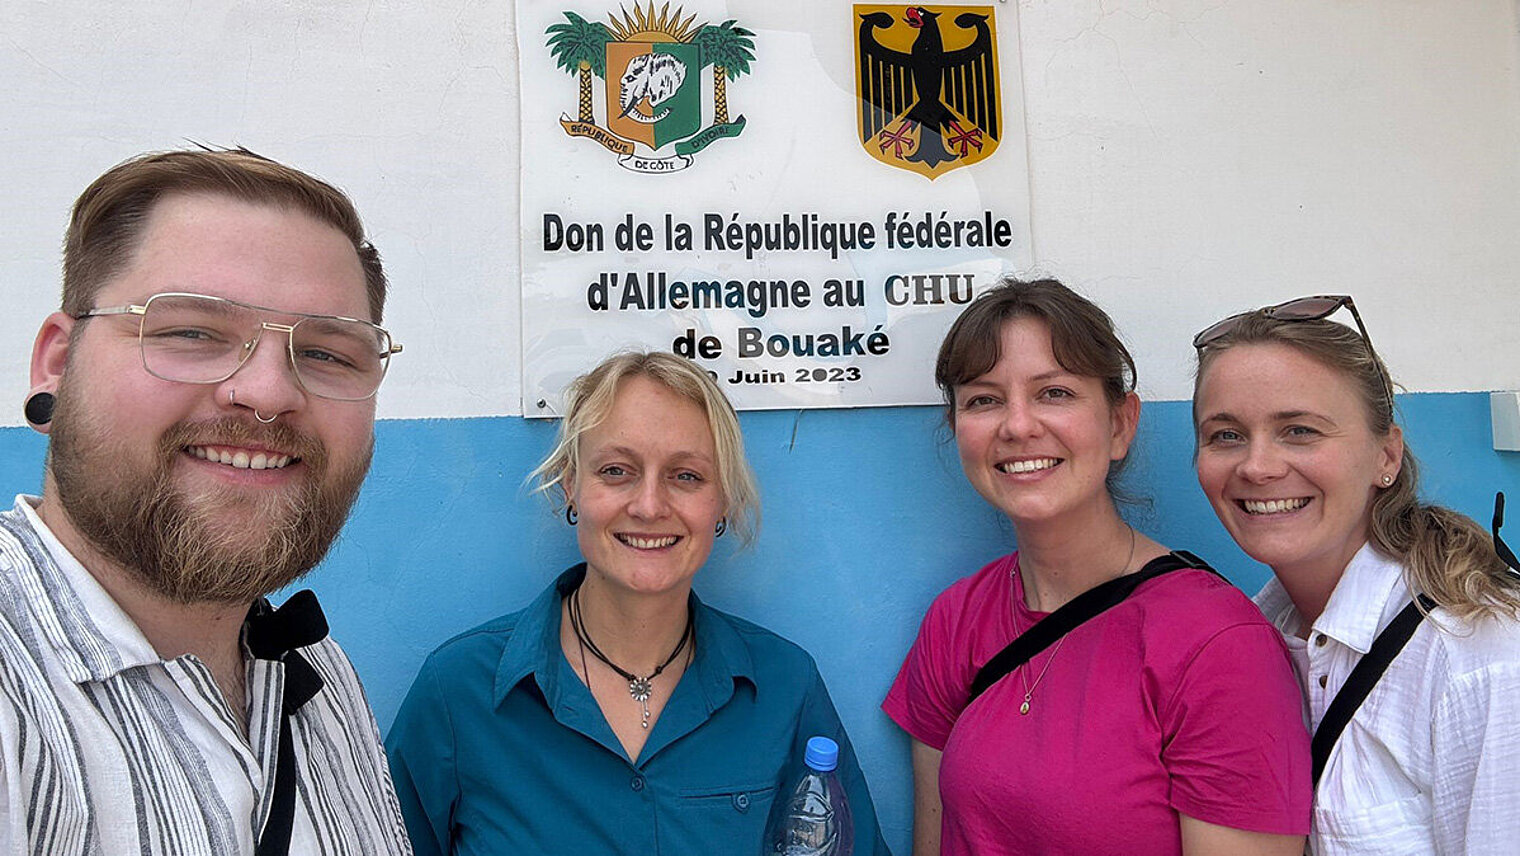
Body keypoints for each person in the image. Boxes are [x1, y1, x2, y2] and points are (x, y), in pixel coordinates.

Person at [0, 149, 413, 855]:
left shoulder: (321, 680)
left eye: (327, 354)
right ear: (57, 364)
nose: (269, 392)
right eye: (191, 331)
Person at [385, 351, 889, 856]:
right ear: (571, 488)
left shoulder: (785, 686)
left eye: (686, 476)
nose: (649, 505)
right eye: (616, 470)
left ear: (722, 502)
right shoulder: (458, 692)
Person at [884, 278, 1311, 856]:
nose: (1018, 426)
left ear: (1120, 425)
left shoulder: (1219, 645)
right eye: (984, 399)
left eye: (1054, 393)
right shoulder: (957, 618)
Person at [1192, 295, 1520, 855]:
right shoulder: (1253, 637)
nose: (1257, 466)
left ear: (1385, 457)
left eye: (1299, 430)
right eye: (1226, 435)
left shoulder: (1480, 653)